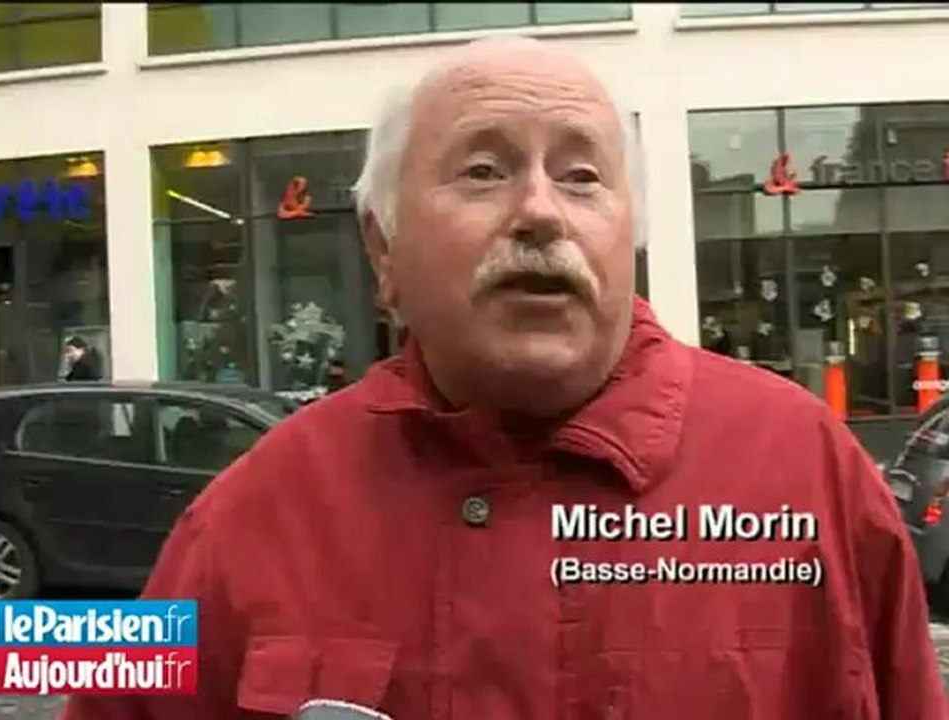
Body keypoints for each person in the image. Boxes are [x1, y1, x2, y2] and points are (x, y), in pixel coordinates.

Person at [62, 37, 946, 719]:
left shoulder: (808, 474)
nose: (538, 211)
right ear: (383, 249)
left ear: (628, 235)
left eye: (583, 176)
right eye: (483, 171)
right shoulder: (247, 515)